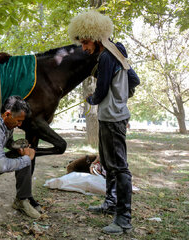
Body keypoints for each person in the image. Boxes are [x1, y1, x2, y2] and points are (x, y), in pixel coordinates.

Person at [68, 10, 140, 235]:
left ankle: (123, 219)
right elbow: (134, 80)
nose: (84, 48)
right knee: (108, 163)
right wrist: (120, 95)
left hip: (114, 118)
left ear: (96, 37)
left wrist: (93, 99)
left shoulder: (108, 56)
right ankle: (110, 203)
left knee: (120, 168)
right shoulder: (115, 53)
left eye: (86, 42)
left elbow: (99, 92)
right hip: (110, 117)